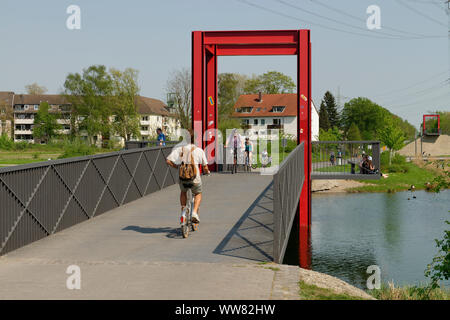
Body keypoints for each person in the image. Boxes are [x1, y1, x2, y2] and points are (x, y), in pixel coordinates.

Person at [166, 129, 210, 223]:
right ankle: (194, 212)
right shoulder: (199, 150)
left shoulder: (179, 149)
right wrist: (207, 171)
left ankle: (183, 212)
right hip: (195, 178)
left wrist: (177, 167)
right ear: (196, 139)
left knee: (183, 191)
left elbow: (168, 160)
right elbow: (205, 166)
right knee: (198, 193)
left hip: (183, 178)